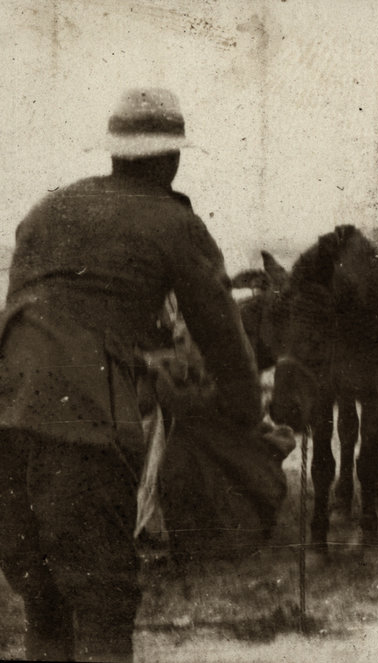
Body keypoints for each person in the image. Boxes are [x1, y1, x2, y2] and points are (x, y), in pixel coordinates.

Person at [0, 88, 261, 662]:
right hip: (83, 427)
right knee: (103, 603)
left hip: (6, 420)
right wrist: (248, 420)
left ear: (115, 153)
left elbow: (43, 320)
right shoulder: (174, 223)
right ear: (172, 160)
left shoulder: (44, 213)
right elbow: (225, 342)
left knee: (43, 603)